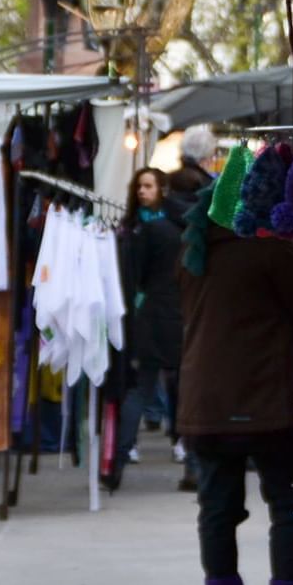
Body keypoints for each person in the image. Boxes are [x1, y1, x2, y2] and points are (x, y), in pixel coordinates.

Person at [179, 172, 293, 585]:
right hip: (271, 402)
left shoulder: (195, 252)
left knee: (216, 513)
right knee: (287, 509)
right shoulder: (273, 251)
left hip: (206, 403)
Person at [116, 167, 185, 474]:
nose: (142, 192)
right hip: (171, 315)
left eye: (148, 186)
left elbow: (134, 276)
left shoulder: (141, 231)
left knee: (144, 385)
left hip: (152, 313)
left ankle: (121, 450)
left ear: (161, 189)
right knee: (173, 384)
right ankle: (183, 448)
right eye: (139, 187)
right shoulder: (168, 228)